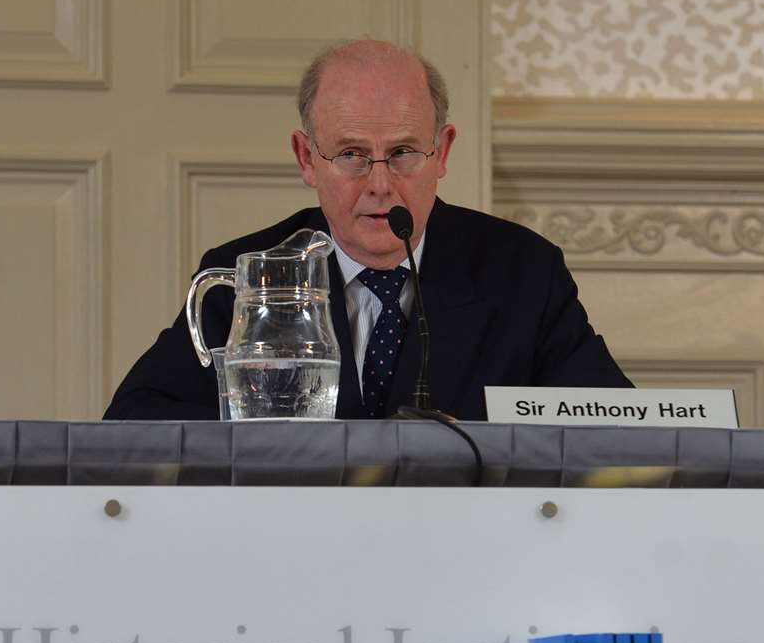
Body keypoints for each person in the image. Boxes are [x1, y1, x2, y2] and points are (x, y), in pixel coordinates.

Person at [104, 39, 629, 421]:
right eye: (351, 154)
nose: (380, 184)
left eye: (402, 152)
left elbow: (614, 430)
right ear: (307, 159)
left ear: (441, 152)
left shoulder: (522, 273)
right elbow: (135, 426)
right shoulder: (252, 274)